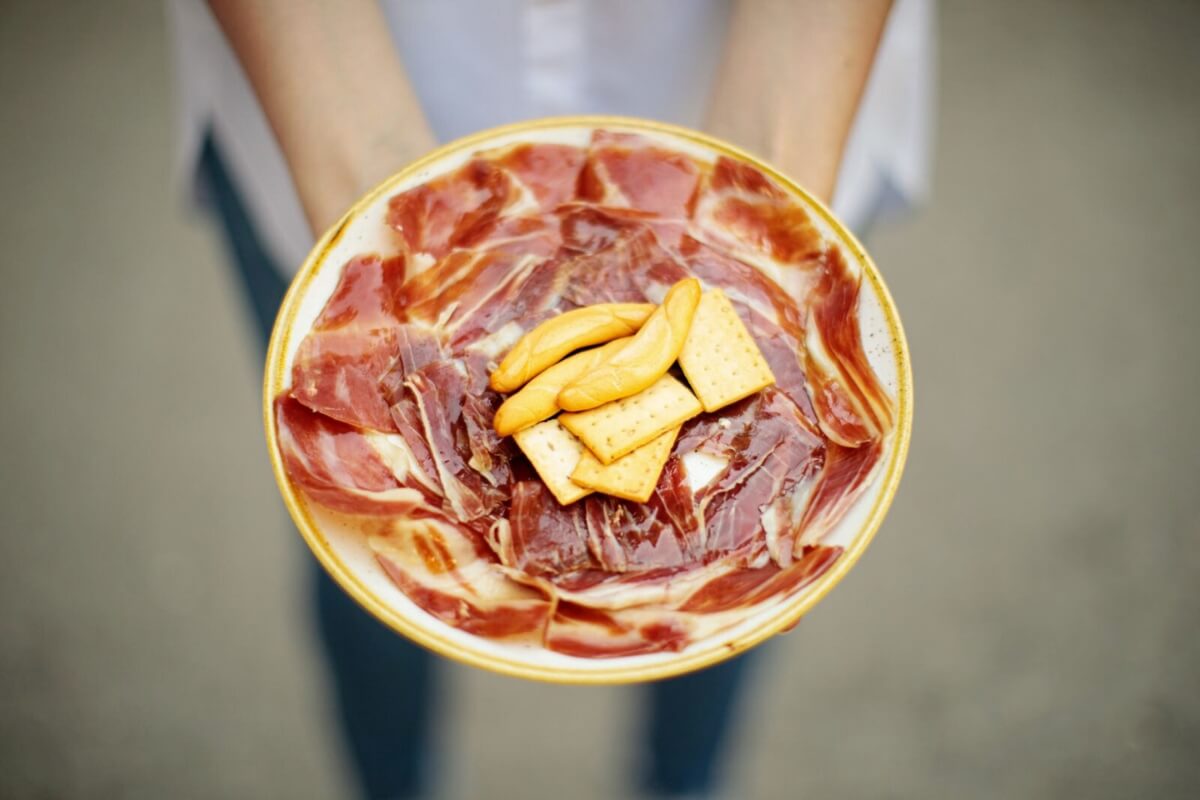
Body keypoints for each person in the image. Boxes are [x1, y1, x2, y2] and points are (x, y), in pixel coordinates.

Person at [168, 1, 933, 797]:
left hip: (772, 96)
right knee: (366, 544)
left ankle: (682, 785)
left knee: (747, 547)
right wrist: (385, 212)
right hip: (315, 106)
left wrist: (760, 211)